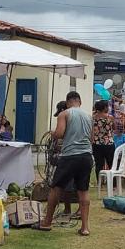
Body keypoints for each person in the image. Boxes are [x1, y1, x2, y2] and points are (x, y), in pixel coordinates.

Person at [40, 91, 92, 236]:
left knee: (56, 188)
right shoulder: (89, 116)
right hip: (86, 156)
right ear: (80, 102)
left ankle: (47, 222)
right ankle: (85, 227)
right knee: (83, 190)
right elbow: (91, 138)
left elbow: (60, 133)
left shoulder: (65, 114)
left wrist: (53, 133)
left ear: (68, 102)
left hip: (70, 156)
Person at [91, 99, 115, 180]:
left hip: (96, 144)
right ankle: (113, 183)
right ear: (104, 108)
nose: (108, 108)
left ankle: (100, 182)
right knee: (111, 164)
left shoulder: (93, 118)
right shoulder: (110, 117)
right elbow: (114, 128)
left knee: (99, 165)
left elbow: (91, 131)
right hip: (108, 143)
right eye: (107, 106)